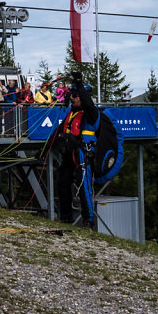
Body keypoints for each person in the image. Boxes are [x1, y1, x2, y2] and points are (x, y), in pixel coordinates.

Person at [46, 72, 99, 227]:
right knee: (62, 183)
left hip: (83, 156)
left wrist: (79, 83)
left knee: (84, 188)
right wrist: (46, 149)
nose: (73, 98)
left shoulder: (91, 114)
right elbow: (57, 132)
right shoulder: (71, 113)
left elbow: (88, 103)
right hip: (70, 156)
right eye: (72, 95)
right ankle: (66, 217)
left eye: (76, 95)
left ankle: (88, 220)